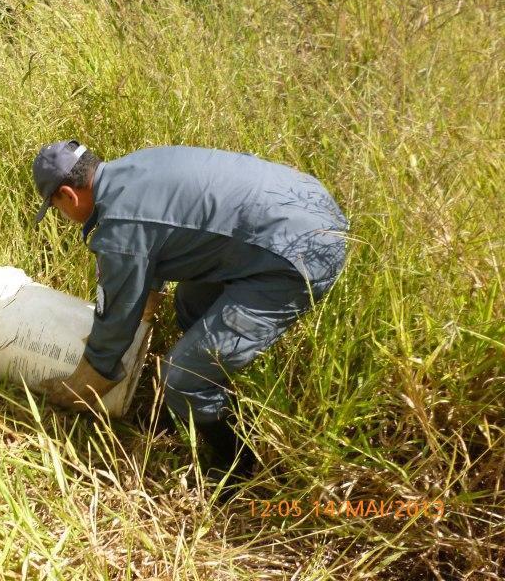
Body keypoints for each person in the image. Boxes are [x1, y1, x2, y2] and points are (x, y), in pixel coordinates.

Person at [31, 140, 349, 487]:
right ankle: (198, 398)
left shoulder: (119, 226)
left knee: (182, 373)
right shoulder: (134, 168)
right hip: (307, 207)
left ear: (69, 195)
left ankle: (238, 467)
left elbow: (117, 316)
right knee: (190, 304)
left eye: (56, 206)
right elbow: (165, 232)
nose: (62, 215)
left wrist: (86, 384)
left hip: (300, 255)